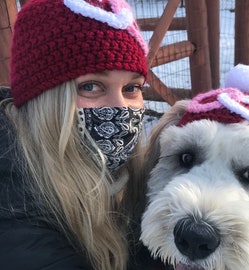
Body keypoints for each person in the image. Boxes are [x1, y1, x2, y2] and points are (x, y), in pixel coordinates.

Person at [0, 0, 149, 269]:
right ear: (45, 100)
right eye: (91, 86)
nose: (119, 107)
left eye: (131, 88)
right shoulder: (14, 205)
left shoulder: (127, 177)